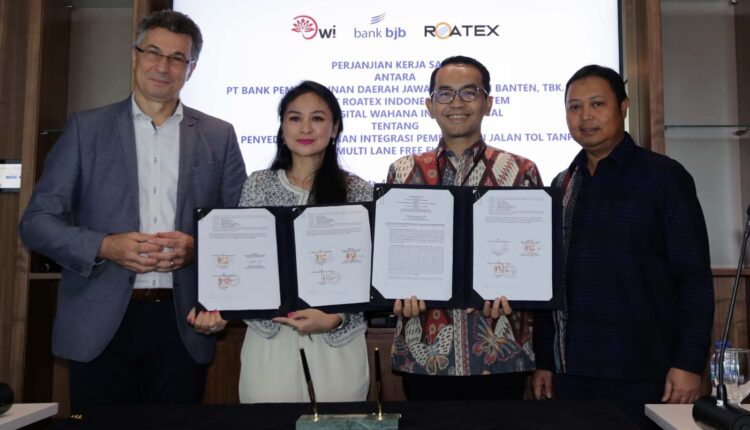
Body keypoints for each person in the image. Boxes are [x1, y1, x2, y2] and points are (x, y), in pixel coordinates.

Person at [18, 10, 247, 413]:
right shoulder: (86, 129)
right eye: (153, 52)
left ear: (191, 69)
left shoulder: (219, 136)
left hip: (182, 323)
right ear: (135, 55)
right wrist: (104, 246)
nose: (163, 66)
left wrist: (197, 247)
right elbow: (36, 223)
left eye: (177, 58)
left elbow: (240, 230)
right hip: (99, 322)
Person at [531, 65, 714, 428]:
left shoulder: (665, 177)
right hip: (570, 373)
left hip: (645, 371)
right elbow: (549, 285)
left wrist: (688, 363)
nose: (585, 116)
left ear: (623, 107)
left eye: (597, 104)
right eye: (574, 107)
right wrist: (545, 363)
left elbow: (693, 279)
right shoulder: (562, 184)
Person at [192, 80, 371, 403]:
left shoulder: (357, 191)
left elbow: (368, 275)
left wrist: (335, 318)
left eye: (317, 118)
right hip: (270, 342)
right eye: (294, 118)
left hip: (337, 344)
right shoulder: (258, 185)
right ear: (282, 128)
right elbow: (240, 260)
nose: (306, 128)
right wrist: (217, 305)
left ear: (335, 129)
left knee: (338, 423)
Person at [386, 56, 543, 400]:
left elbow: (534, 260)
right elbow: (393, 258)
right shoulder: (403, 172)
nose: (456, 103)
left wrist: (517, 290)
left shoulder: (520, 172)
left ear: (488, 103)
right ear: (430, 106)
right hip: (424, 356)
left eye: (469, 92)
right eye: (445, 94)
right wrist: (394, 294)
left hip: (500, 354)